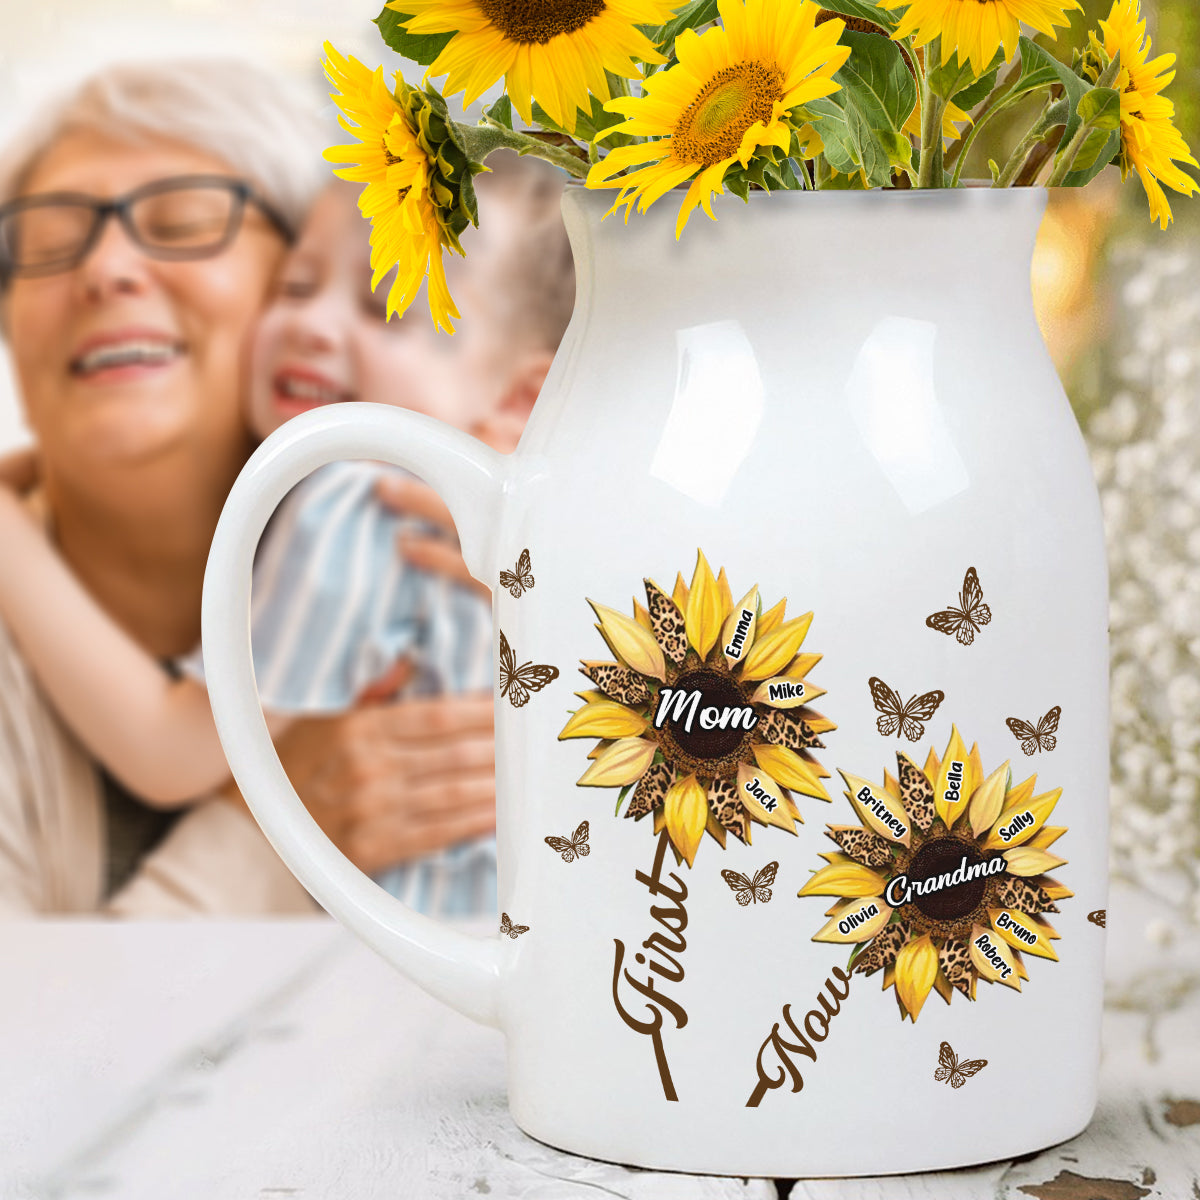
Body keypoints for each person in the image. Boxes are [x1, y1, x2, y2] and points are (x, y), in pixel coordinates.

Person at [0, 61, 529, 915]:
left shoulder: (435, 533)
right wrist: (274, 833)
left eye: (182, 222)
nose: (105, 271)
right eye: (48, 238)